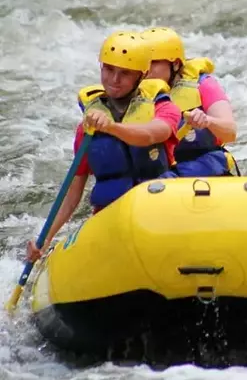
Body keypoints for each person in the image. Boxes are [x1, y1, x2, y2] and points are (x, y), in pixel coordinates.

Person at [26, 31, 181, 262]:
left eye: (124, 73)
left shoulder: (163, 107)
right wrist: (45, 239)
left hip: (159, 209)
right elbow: (72, 193)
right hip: (111, 219)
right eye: (109, 69)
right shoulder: (87, 129)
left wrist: (111, 127)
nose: (114, 79)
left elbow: (151, 134)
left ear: (142, 75)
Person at [140, 27, 240, 177]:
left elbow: (230, 132)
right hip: (161, 174)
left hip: (204, 167)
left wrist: (208, 121)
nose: (145, 70)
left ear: (175, 64)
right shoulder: (134, 92)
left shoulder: (203, 84)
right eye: (142, 63)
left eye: (153, 63)